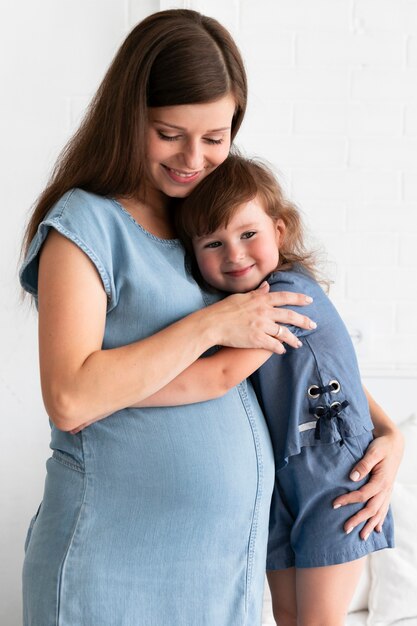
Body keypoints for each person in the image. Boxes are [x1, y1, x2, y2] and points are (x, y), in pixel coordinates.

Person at [19, 9, 402, 626]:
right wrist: (213, 324)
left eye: (216, 137)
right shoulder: (85, 226)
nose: (194, 158)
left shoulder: (208, 224)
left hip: (223, 573)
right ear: (128, 117)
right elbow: (69, 396)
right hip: (114, 567)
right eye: (169, 133)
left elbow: (297, 342)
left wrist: (386, 434)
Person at [138, 153, 398, 625]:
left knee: (318, 620)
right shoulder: (236, 307)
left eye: (248, 234)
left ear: (279, 231)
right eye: (213, 243)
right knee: (288, 617)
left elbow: (219, 376)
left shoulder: (284, 295)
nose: (234, 254)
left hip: (335, 473)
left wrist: (118, 393)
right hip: (281, 476)